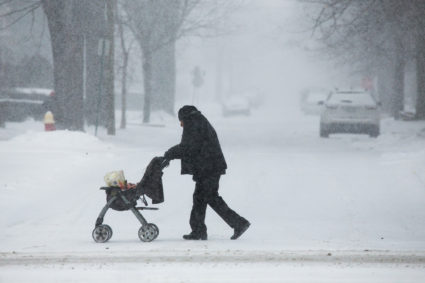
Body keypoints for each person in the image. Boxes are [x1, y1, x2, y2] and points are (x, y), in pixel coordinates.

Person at [163, 105, 250, 240]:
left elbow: (188, 147)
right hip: (209, 166)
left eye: (180, 121)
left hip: (209, 167)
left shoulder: (193, 123)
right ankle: (198, 230)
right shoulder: (198, 120)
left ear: (184, 117)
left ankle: (239, 223)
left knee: (210, 197)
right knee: (200, 198)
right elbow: (192, 146)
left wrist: (169, 154)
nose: (180, 124)